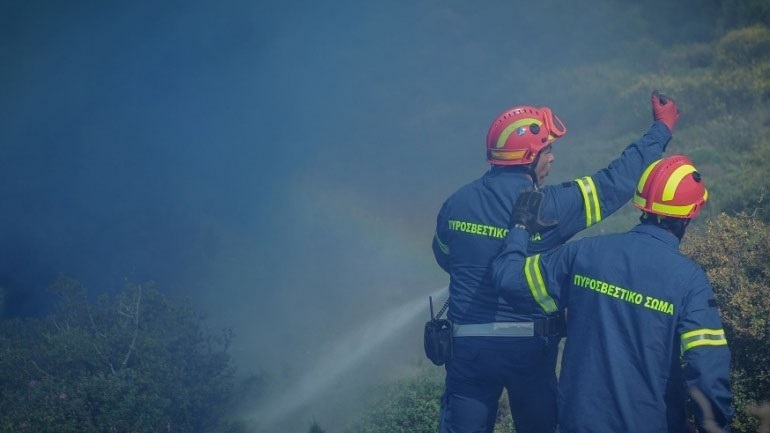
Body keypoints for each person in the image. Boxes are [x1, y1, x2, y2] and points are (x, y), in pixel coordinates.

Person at [431, 91, 680, 433]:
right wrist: (661, 129)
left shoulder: (455, 203)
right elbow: (615, 183)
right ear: (529, 156)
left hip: (468, 352)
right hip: (529, 352)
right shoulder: (551, 207)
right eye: (548, 150)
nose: (553, 159)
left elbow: (445, 257)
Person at [491, 154, 733, 432]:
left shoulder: (583, 253)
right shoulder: (691, 283)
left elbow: (509, 280)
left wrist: (520, 227)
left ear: (641, 205)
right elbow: (706, 368)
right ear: (689, 216)